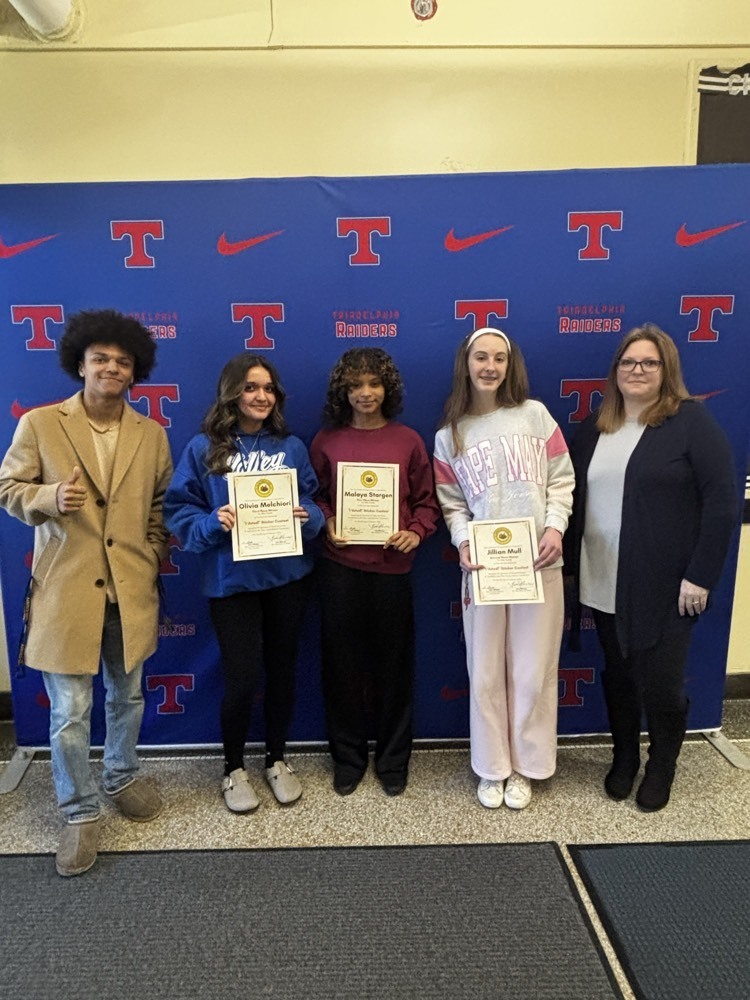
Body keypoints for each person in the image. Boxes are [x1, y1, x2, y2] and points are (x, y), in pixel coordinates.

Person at [0, 309, 173, 877]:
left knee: (127, 697)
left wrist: (150, 551)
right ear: (80, 363)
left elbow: (159, 505)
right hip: (66, 590)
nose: (112, 368)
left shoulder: (152, 433)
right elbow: (8, 486)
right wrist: (49, 498)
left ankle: (120, 778)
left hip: (130, 588)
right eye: (101, 358)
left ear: (135, 371)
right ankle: (78, 811)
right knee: (71, 711)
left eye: (123, 362)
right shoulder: (43, 424)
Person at [565, 323, 738, 811]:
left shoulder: (689, 422)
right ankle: (624, 758)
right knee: (617, 674)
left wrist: (701, 575)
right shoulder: (597, 426)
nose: (637, 370)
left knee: (661, 684)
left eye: (649, 363)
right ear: (615, 371)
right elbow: (570, 496)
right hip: (602, 576)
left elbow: (722, 502)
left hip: (668, 584)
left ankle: (662, 764)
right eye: (628, 362)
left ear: (667, 371)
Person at [164, 353, 323, 814]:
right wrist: (214, 521)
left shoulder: (290, 446)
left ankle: (276, 759)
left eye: (268, 388)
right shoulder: (202, 448)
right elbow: (179, 512)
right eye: (251, 387)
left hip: (287, 577)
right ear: (232, 392)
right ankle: (233, 768)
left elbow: (313, 500)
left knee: (283, 671)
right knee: (241, 678)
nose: (260, 396)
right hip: (231, 581)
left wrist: (307, 515)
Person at [433, 327, 574, 810]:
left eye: (498, 358)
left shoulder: (535, 417)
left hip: (539, 562)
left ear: (510, 365)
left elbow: (562, 481)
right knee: (487, 672)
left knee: (534, 671)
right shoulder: (449, 435)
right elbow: (452, 506)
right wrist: (463, 542)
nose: (489, 366)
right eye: (480, 357)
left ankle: (529, 766)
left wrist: (554, 528)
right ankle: (493, 767)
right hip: (485, 568)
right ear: (466, 364)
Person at [310, 348, 439, 797]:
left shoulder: (408, 440)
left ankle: (392, 760)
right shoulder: (326, 440)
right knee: (341, 668)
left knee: (394, 668)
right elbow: (316, 497)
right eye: (355, 386)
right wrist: (325, 520)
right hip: (340, 570)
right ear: (343, 392)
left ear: (387, 389)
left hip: (392, 570)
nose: (365, 393)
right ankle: (347, 758)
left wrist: (417, 533)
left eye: (373, 384)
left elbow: (427, 502)